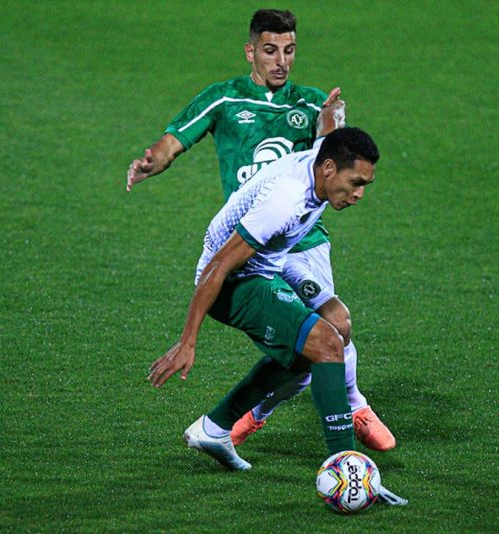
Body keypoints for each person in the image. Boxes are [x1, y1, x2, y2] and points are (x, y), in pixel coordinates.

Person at [128, 9, 395, 452]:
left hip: (301, 239)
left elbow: (336, 143)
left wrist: (332, 117)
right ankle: (264, 416)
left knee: (334, 328)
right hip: (253, 240)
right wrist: (154, 159)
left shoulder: (310, 103)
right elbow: (174, 140)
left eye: (289, 51)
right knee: (318, 341)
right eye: (271, 51)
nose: (281, 61)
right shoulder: (225, 99)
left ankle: (349, 404)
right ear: (251, 51)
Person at [147, 128, 406, 506]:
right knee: (327, 344)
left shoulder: (323, 160)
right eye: (356, 182)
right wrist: (188, 340)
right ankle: (349, 468)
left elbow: (328, 136)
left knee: (317, 345)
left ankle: (215, 428)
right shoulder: (285, 199)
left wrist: (330, 114)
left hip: (269, 269)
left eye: (366, 183)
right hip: (234, 282)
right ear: (329, 169)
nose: (359, 193)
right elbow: (218, 266)